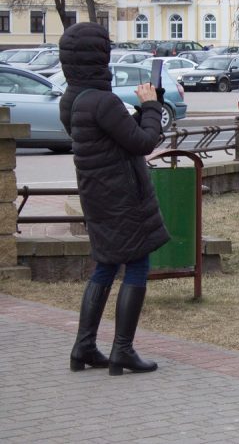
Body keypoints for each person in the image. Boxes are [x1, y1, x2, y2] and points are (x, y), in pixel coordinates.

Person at [59, 22, 169, 376]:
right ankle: (122, 349)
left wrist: (136, 117)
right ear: (99, 57)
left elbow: (111, 138)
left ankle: (84, 346)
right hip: (122, 196)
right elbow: (142, 143)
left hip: (96, 194)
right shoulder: (103, 101)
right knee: (136, 264)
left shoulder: (72, 99)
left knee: (106, 264)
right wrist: (151, 106)